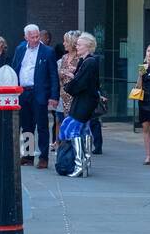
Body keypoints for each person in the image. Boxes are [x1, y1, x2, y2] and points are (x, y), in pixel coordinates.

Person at [10, 24, 59, 170]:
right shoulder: (20, 49)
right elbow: (15, 68)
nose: (36, 39)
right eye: (32, 37)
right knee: (27, 126)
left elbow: (53, 76)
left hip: (39, 93)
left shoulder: (48, 52)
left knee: (42, 126)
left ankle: (43, 157)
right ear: (26, 37)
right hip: (23, 92)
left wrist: (54, 96)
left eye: (37, 36)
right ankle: (28, 155)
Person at [59, 33, 102, 177]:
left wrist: (68, 86)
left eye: (79, 44)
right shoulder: (87, 61)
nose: (76, 46)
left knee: (73, 129)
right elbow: (83, 80)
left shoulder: (89, 62)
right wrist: (74, 78)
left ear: (88, 46)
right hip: (84, 101)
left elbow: (80, 83)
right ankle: (85, 163)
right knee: (82, 129)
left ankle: (79, 165)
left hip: (84, 102)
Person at [56, 31, 80, 148]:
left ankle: (74, 147)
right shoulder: (64, 57)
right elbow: (59, 74)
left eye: (66, 41)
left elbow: (83, 76)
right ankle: (64, 146)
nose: (64, 43)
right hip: (63, 94)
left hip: (75, 96)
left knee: (74, 123)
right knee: (62, 120)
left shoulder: (80, 57)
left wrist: (73, 73)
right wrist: (62, 73)